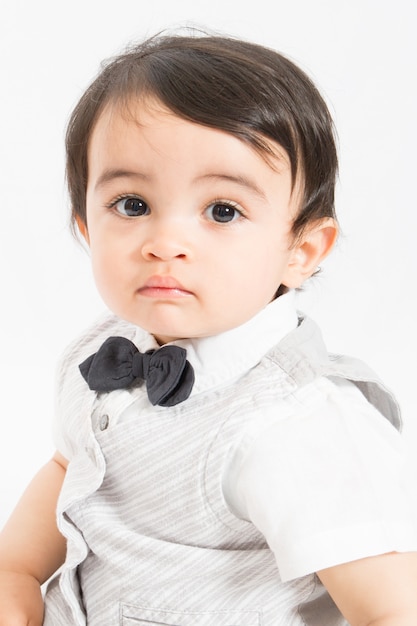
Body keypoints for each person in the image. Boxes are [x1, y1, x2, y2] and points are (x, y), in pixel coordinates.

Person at [0, 31, 416, 626]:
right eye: (132, 205)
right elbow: (73, 466)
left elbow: (392, 610)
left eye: (223, 211)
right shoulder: (101, 353)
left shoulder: (299, 425)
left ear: (301, 249)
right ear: (86, 225)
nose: (165, 243)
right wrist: (13, 571)